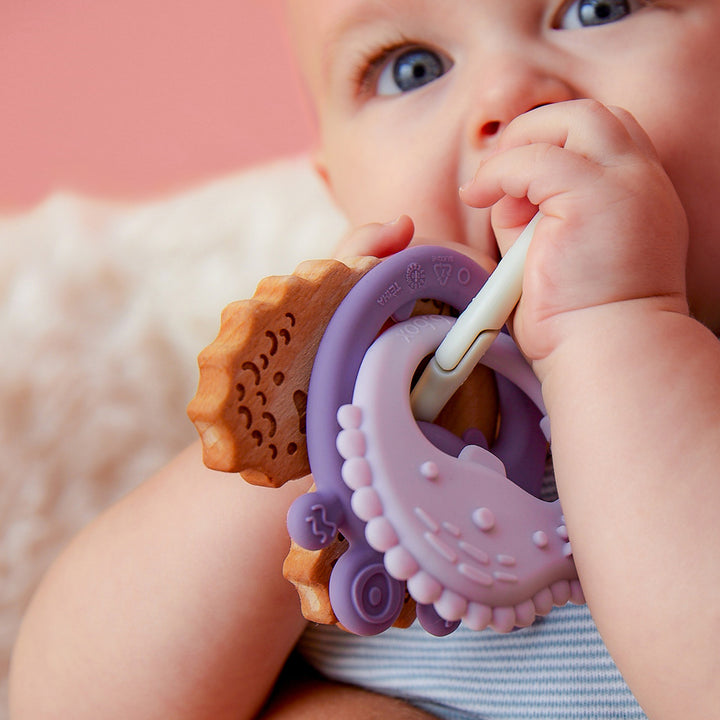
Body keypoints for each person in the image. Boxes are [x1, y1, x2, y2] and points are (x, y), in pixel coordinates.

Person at [9, 0, 720, 718]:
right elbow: (66, 703)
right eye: (412, 68)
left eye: (598, 9)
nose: (509, 92)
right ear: (338, 188)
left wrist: (614, 324)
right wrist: (308, 431)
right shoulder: (337, 464)